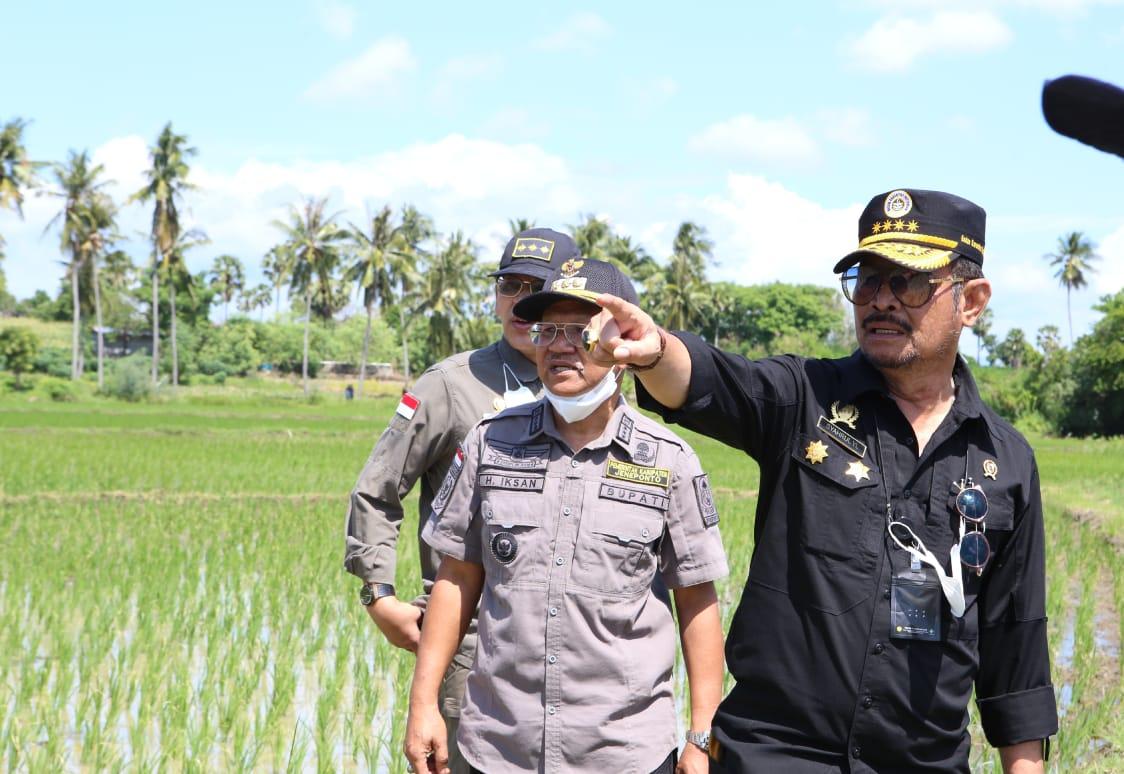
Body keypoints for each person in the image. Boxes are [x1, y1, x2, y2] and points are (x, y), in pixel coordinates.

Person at [589, 190, 1058, 773]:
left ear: (972, 301)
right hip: (776, 756)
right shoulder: (804, 397)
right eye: (867, 281)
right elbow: (708, 380)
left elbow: (1016, 641)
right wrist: (655, 351)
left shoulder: (1005, 460)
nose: (881, 301)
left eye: (907, 283)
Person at [403, 259, 728, 774]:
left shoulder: (667, 460)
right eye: (548, 329)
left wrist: (701, 734)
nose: (559, 344)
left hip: (623, 754)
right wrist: (423, 704)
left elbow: (697, 600)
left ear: (622, 342)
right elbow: (457, 577)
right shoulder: (491, 443)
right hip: (498, 749)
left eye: (582, 330)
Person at [344, 228, 577, 773]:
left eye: (538, 288)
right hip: (473, 647)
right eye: (510, 285)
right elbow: (376, 489)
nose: (521, 302)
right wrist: (378, 594)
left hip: (580, 654)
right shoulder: (450, 385)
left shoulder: (595, 384)